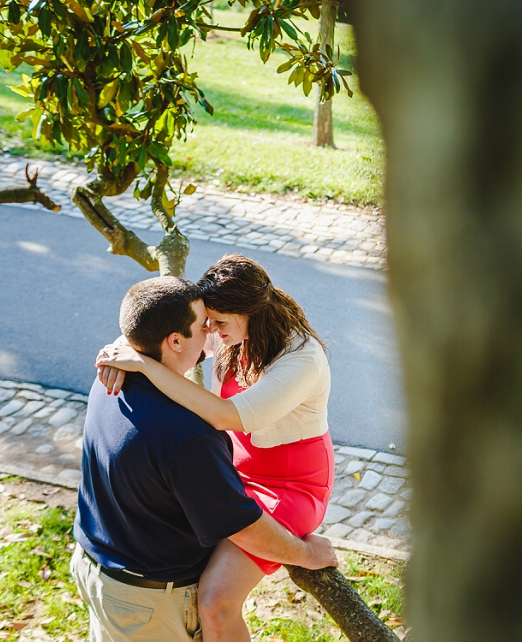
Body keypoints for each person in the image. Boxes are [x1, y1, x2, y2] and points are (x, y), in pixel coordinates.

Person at [73, 275, 338, 642]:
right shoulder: (227, 333)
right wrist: (123, 345)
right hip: (230, 475)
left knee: (215, 602)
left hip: (289, 484)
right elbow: (155, 325)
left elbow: (225, 415)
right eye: (205, 323)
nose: (210, 332)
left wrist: (146, 363)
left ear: (247, 316)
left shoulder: (300, 359)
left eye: (217, 323)